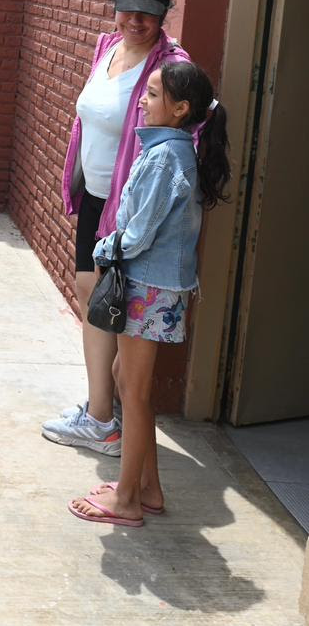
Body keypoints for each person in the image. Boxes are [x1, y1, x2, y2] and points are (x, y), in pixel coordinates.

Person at [69, 62, 230, 526]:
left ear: (180, 110)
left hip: (149, 287)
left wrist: (101, 250)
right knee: (126, 381)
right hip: (152, 286)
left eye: (154, 94)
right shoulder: (168, 150)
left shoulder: (164, 158)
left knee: (133, 393)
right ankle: (148, 489)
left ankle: (127, 500)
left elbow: (138, 233)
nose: (143, 99)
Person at [41, 0, 190, 454]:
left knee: (109, 304)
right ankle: (98, 408)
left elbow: (190, 128)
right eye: (128, 8)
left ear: (163, 15)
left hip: (129, 207)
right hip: (96, 193)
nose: (136, 20)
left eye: (148, 13)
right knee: (92, 294)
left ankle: (104, 417)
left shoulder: (171, 64)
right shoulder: (107, 47)